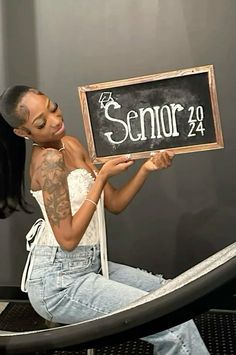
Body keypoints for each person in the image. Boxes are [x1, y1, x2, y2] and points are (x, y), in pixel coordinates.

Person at [0, 85, 209, 354]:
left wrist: (146, 168)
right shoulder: (48, 162)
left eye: (53, 108)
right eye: (41, 123)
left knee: (172, 298)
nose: (55, 121)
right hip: (59, 281)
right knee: (171, 324)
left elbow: (114, 204)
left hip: (92, 264)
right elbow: (68, 239)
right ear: (23, 132)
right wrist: (100, 178)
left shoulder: (72, 144)